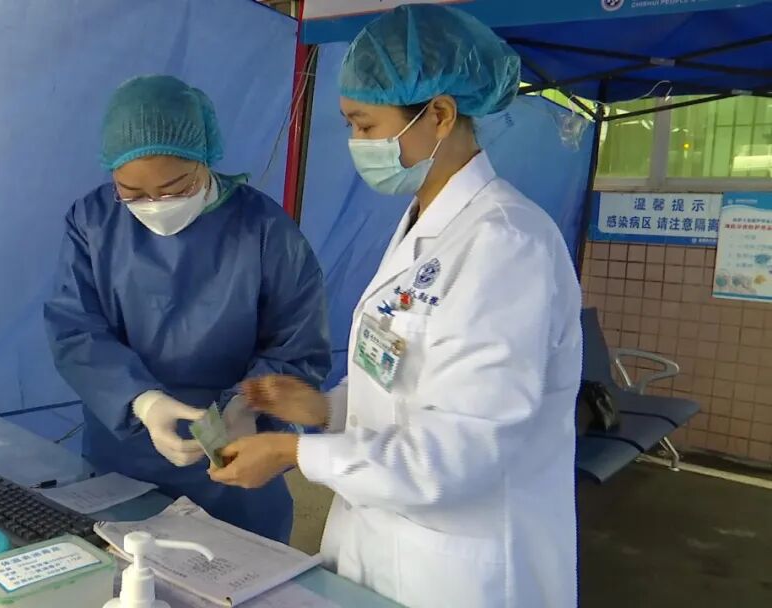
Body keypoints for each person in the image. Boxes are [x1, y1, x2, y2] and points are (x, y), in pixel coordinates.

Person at [209, 6, 581, 607]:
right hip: (383, 542)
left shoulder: (506, 245)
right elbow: (409, 382)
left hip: (462, 572)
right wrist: (326, 409)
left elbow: (461, 451)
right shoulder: (428, 224)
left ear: (439, 115)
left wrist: (293, 452)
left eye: (366, 125)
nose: (357, 144)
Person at [44, 75, 331, 543]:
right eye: (132, 193)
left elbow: (297, 345)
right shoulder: (93, 221)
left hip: (234, 461)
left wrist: (245, 405)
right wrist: (143, 401)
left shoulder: (264, 230)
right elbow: (75, 329)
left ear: (205, 160)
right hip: (122, 454)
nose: (155, 205)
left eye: (175, 188)